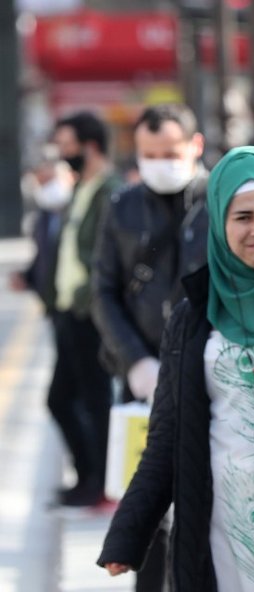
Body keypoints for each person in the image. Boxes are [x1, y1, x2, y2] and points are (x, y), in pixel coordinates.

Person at [97, 146, 254, 592]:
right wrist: (127, 536)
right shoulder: (193, 317)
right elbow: (167, 434)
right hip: (219, 522)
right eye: (242, 217)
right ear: (219, 225)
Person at [93, 103, 209, 405]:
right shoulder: (123, 205)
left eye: (170, 154)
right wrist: (135, 360)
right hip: (142, 372)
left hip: (210, 368)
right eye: (149, 155)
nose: (160, 164)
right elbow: (103, 290)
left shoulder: (220, 201)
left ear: (196, 145)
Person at [49, 111, 124, 507]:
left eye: (67, 145)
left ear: (90, 146)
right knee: (61, 399)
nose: (63, 153)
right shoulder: (82, 186)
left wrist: (87, 300)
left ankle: (99, 482)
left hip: (88, 313)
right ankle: (87, 477)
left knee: (94, 399)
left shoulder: (109, 189)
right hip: (68, 311)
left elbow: (102, 256)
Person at [9, 150, 74, 311]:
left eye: (48, 178)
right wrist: (27, 277)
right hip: (54, 299)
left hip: (75, 299)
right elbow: (44, 254)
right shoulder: (43, 215)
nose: (43, 183)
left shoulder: (74, 206)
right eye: (40, 180)